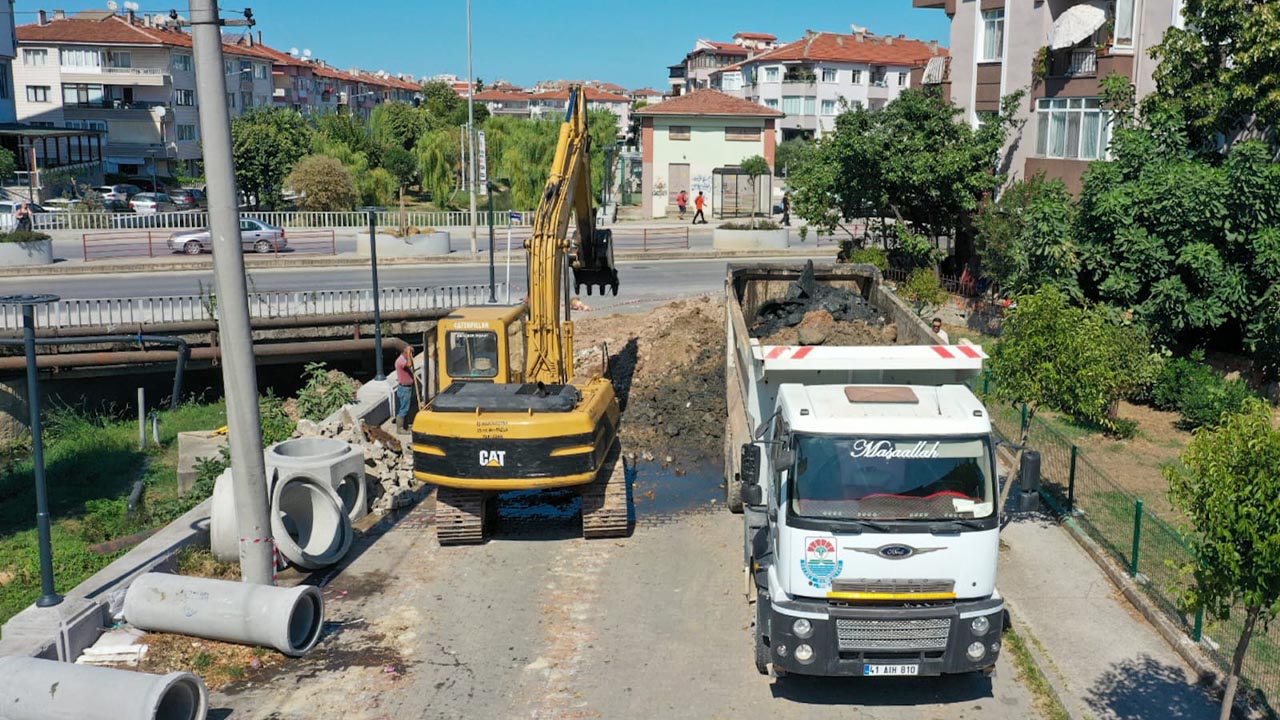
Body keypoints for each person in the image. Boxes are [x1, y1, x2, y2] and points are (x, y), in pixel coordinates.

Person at [394, 345, 416, 432]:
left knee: (406, 408)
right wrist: (408, 353)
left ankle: (405, 426)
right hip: (404, 388)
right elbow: (410, 364)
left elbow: (411, 364)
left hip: (408, 388)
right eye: (411, 354)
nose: (412, 356)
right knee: (404, 409)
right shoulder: (400, 361)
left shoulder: (404, 360)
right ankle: (400, 428)